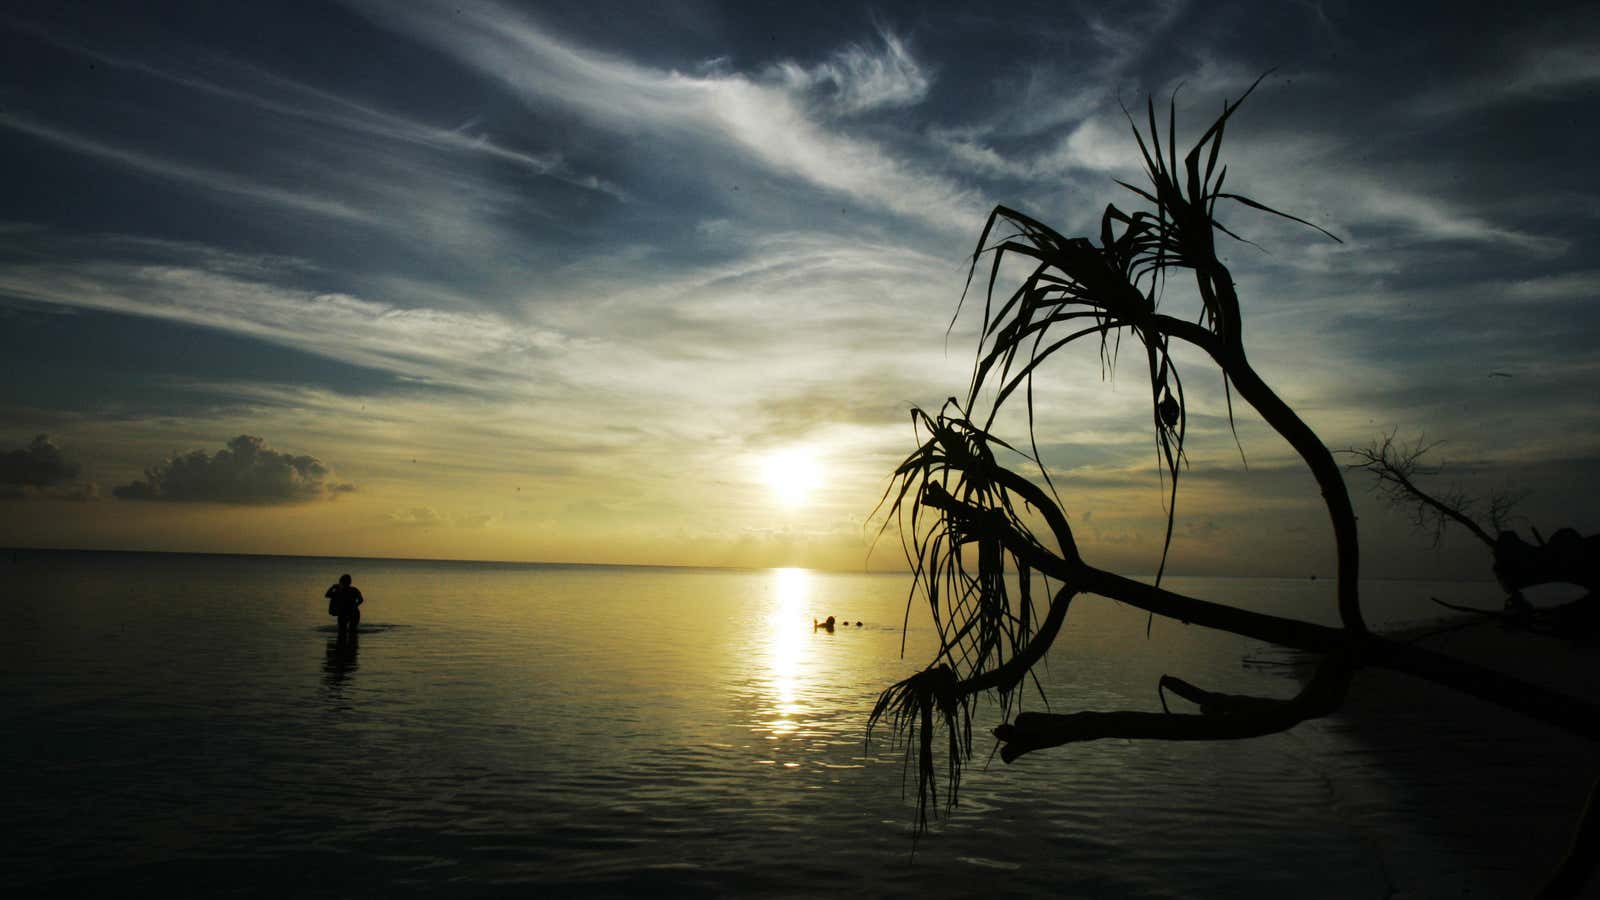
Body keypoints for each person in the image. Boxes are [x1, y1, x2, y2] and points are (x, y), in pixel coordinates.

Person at [325, 574, 364, 639]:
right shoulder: (353, 590)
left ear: (341, 582)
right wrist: (355, 605)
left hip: (347, 613)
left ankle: (343, 647)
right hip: (351, 612)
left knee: (342, 631)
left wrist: (332, 587)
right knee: (352, 631)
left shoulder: (339, 591)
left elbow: (327, 595)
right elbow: (361, 600)